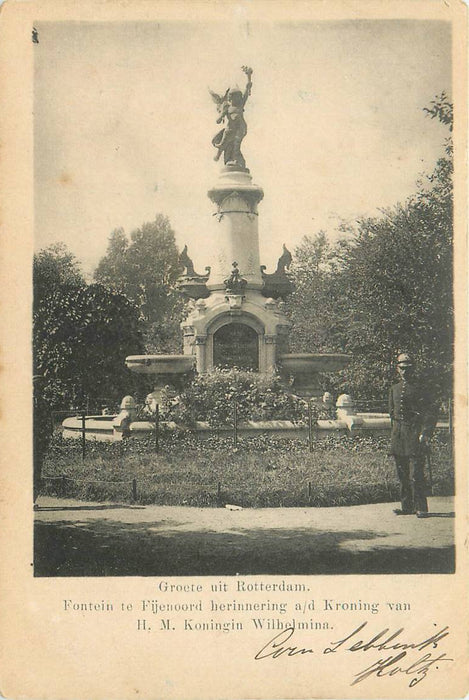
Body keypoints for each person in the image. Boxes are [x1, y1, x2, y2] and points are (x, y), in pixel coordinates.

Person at [388, 353, 437, 518]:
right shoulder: (393, 389)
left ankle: (421, 507)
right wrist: (395, 433)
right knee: (402, 473)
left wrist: (426, 433)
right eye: (402, 368)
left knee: (416, 474)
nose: (405, 372)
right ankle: (406, 506)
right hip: (399, 436)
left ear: (413, 369)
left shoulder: (422, 389)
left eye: (408, 369)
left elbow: (430, 413)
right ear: (397, 369)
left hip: (415, 435)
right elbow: (391, 413)